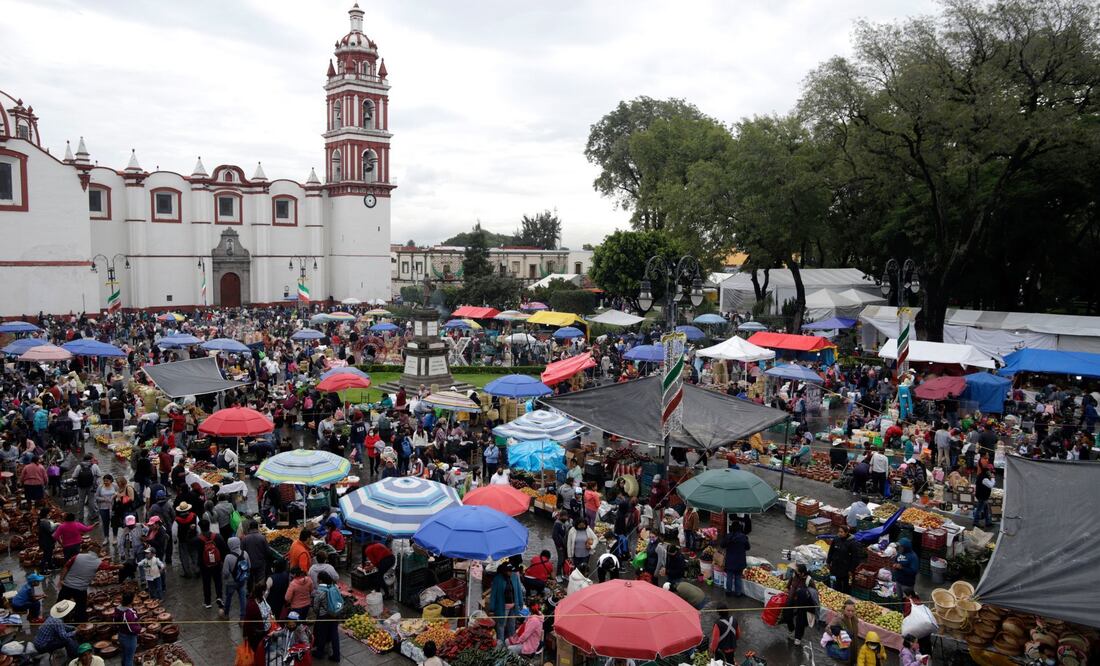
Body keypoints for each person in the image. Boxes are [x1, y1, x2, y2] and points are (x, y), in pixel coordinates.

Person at [58, 542, 116, 622]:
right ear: (98, 553)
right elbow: (109, 567)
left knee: (60, 605)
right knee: (80, 608)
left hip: (67, 585)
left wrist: (61, 580)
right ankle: (79, 625)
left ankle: (56, 622)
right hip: (80, 589)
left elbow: (66, 567)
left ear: (89, 550)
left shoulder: (77, 556)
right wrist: (119, 566)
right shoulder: (98, 562)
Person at [311, 571, 343, 662]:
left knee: (322, 634)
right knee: (334, 635)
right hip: (334, 613)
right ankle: (336, 655)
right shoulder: (334, 587)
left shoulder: (320, 591)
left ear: (321, 580)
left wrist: (318, 613)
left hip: (323, 616)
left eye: (318, 579)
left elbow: (316, 606)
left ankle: (319, 653)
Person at [489, 562, 524, 641]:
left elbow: (518, 591)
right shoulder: (497, 579)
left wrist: (521, 603)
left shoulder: (515, 577)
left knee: (512, 625)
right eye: (509, 571)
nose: (510, 573)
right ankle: (501, 643)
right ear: (504, 571)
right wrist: (492, 608)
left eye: (511, 571)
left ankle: (511, 642)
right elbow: (493, 594)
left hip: (513, 606)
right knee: (501, 625)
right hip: (502, 607)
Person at [783, 563, 816, 646]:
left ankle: (798, 637)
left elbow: (814, 593)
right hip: (791, 600)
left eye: (797, 572)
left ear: (802, 573)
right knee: (787, 614)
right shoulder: (794, 575)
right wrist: (787, 588)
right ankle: (791, 629)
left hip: (802, 603)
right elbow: (790, 583)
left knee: (800, 620)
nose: (795, 572)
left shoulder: (809, 580)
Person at [197, 519, 226, 610]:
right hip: (217, 564)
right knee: (218, 581)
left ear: (200, 528)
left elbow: (189, 542)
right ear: (209, 526)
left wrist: (191, 531)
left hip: (204, 565)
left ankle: (208, 602)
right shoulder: (217, 537)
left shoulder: (198, 539)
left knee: (206, 583)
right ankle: (219, 597)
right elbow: (224, 549)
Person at [221, 536, 251, 619]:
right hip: (242, 580)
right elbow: (249, 567)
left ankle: (226, 614)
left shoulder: (228, 557)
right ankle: (242, 618)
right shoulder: (245, 553)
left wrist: (225, 578)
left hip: (231, 582)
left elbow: (226, 572)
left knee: (228, 598)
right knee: (243, 599)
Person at [720, 520, 750, 597]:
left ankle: (728, 591)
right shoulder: (743, 537)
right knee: (738, 577)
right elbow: (748, 547)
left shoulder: (729, 536)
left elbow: (722, 545)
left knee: (729, 576)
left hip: (730, 560)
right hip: (740, 561)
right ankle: (738, 593)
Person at [827, 525, 859, 594]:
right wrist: (828, 562)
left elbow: (855, 558)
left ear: (847, 532)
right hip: (835, 566)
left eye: (842, 532)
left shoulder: (852, 543)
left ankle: (845, 595)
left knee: (845, 584)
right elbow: (831, 551)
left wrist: (851, 569)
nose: (839, 533)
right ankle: (837, 594)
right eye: (839, 532)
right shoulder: (836, 539)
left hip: (845, 568)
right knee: (836, 582)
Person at [71, 454, 100, 525]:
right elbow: (99, 474)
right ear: (90, 459)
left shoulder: (79, 466)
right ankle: (92, 515)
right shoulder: (94, 466)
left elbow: (74, 476)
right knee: (91, 500)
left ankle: (81, 517)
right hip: (91, 486)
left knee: (81, 501)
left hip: (81, 487)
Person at [114, 590, 141, 666]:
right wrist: (139, 628)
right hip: (129, 638)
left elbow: (114, 621)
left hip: (121, 635)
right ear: (130, 601)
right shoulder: (128, 613)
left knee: (124, 654)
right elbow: (131, 628)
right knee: (129, 658)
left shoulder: (118, 608)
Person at [174, 501, 200, 579]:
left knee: (184, 556)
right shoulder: (194, 516)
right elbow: (198, 528)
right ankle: (196, 570)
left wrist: (175, 540)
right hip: (193, 539)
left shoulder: (177, 520)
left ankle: (187, 572)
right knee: (194, 554)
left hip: (183, 541)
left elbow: (174, 533)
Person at [241, 520, 269, 588]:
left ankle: (250, 594)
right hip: (260, 564)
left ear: (249, 528)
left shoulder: (245, 538)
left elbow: (242, 551)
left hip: (249, 564)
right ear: (257, 527)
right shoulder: (262, 537)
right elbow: (267, 551)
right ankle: (258, 595)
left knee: (250, 580)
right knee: (259, 580)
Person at [551, 512, 570, 581]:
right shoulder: (557, 524)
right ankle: (558, 575)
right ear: (560, 517)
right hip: (560, 545)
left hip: (566, 544)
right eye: (564, 517)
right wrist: (559, 546)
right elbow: (554, 536)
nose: (566, 518)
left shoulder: (567, 523)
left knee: (566, 559)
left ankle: (565, 573)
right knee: (561, 559)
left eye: (566, 517)